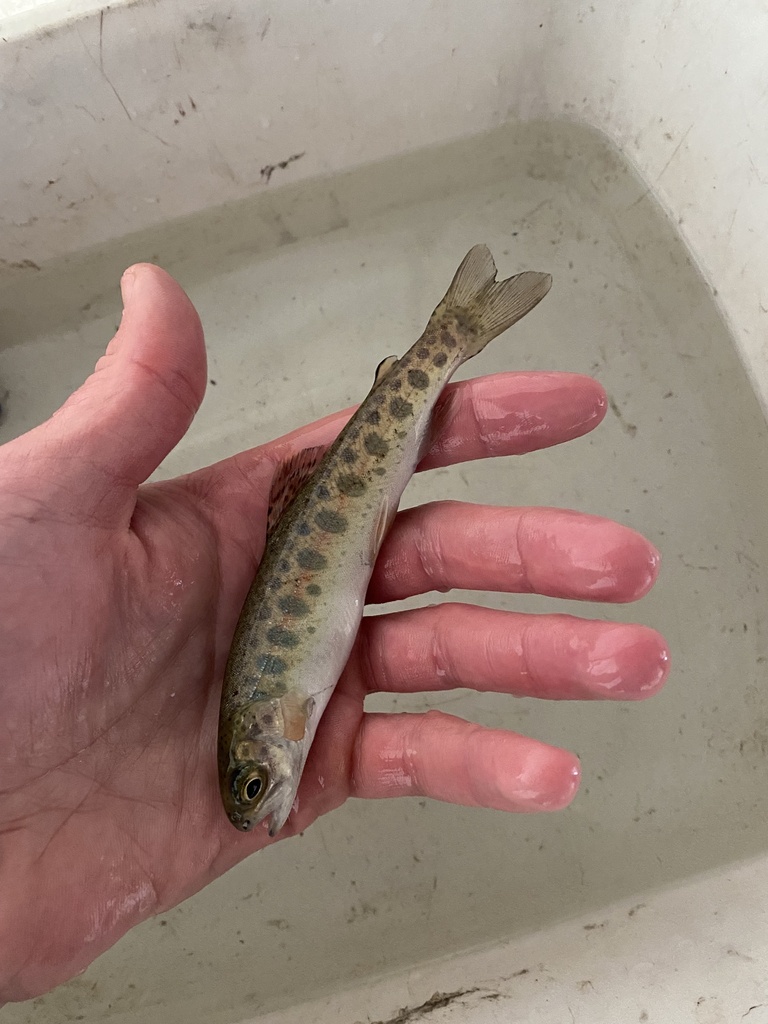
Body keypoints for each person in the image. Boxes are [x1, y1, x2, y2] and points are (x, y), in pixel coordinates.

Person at [0, 264, 668, 1004]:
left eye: (255, 783)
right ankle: (446, 336)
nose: (265, 801)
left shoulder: (274, 719)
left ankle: (449, 335)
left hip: (341, 514)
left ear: (266, 744)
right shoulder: (267, 728)